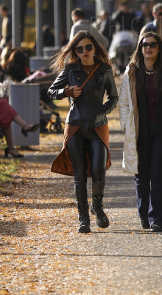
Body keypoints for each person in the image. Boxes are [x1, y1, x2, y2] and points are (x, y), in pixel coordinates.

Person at [47, 32, 119, 233]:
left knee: (98, 171)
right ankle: (83, 219)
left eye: (88, 47)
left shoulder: (105, 69)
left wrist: (102, 111)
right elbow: (51, 91)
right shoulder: (70, 69)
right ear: (75, 52)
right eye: (80, 49)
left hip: (98, 127)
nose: (85, 51)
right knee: (79, 175)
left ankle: (97, 206)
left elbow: (114, 98)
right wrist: (66, 92)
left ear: (95, 48)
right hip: (76, 126)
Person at [119, 30, 162, 232]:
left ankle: (157, 218)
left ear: (159, 49)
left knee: (157, 174)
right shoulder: (131, 71)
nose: (148, 48)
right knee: (141, 174)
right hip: (139, 131)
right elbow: (123, 102)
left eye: (152, 44)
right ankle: (143, 215)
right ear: (140, 49)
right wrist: (126, 125)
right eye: (144, 44)